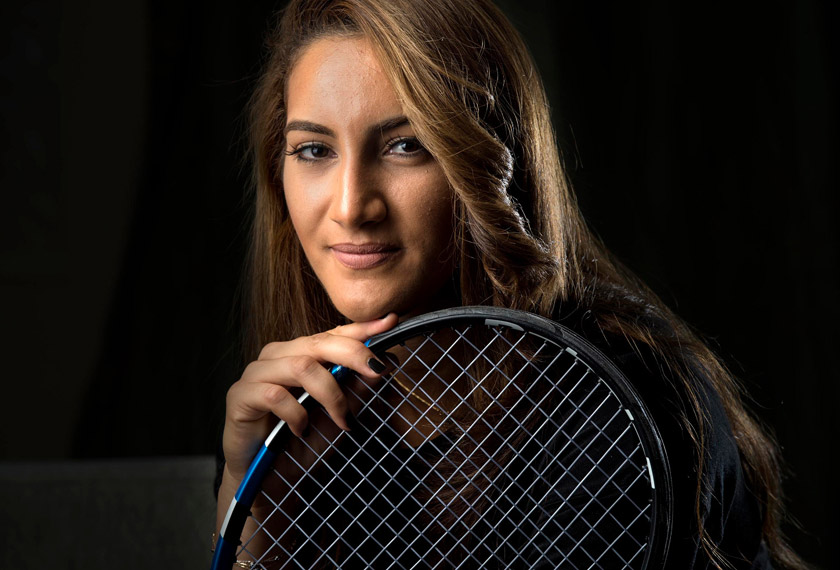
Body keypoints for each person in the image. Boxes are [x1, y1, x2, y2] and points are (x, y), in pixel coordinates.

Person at [216, 0, 806, 568]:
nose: (351, 206)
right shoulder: (295, 414)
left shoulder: (626, 404)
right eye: (314, 150)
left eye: (406, 145)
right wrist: (255, 512)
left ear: (487, 159)